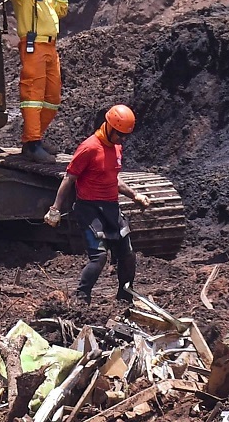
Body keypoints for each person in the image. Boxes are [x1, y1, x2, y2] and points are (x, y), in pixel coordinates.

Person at [44, 104, 151, 303]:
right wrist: (55, 209)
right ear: (109, 126)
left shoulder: (117, 147)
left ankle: (125, 297)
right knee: (99, 257)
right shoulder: (89, 147)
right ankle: (82, 298)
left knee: (127, 255)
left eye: (125, 135)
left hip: (111, 207)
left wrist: (134, 195)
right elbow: (69, 178)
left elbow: (113, 178)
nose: (122, 139)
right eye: (119, 134)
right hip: (90, 209)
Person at [8, 0, 68, 163]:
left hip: (51, 48)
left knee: (52, 98)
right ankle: (32, 143)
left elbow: (61, 11)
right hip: (34, 46)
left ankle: (34, 140)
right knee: (33, 96)